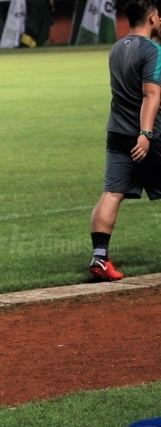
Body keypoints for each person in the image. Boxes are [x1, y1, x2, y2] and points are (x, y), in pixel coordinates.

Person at [89, 0, 161, 281]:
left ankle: (99, 258)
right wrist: (146, 134)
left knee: (111, 193)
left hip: (116, 131)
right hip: (148, 135)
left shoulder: (117, 47)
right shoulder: (152, 50)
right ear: (153, 17)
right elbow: (151, 95)